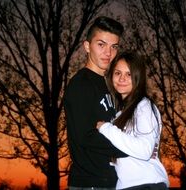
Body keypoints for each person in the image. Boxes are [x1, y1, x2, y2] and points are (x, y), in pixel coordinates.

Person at [64, 16, 128, 189]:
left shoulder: (111, 85)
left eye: (113, 46)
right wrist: (131, 148)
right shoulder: (80, 84)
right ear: (87, 46)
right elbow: (86, 135)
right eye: (101, 44)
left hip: (112, 181)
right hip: (90, 183)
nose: (108, 53)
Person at [96, 51, 169, 190]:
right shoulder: (119, 114)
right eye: (118, 73)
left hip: (146, 184)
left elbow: (144, 149)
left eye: (129, 74)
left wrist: (106, 128)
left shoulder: (143, 106)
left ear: (138, 77)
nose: (122, 78)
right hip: (128, 185)